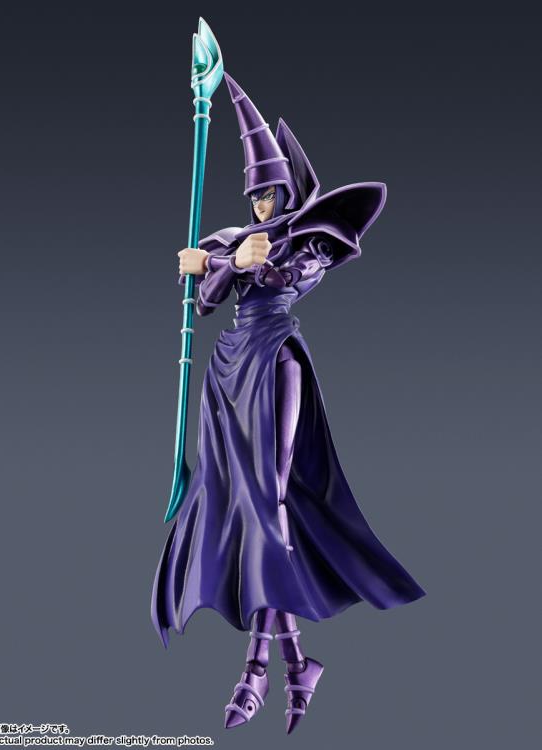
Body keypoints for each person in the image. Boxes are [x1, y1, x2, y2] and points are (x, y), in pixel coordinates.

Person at [151, 73, 426, 734]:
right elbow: (206, 301)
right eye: (254, 195)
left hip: (276, 361)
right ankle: (296, 663)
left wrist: (238, 262)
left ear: (289, 190)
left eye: (270, 193)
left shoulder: (311, 239)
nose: (261, 204)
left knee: (269, 505)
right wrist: (209, 264)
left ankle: (256, 669)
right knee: (237, 505)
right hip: (228, 372)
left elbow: (287, 275)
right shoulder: (235, 237)